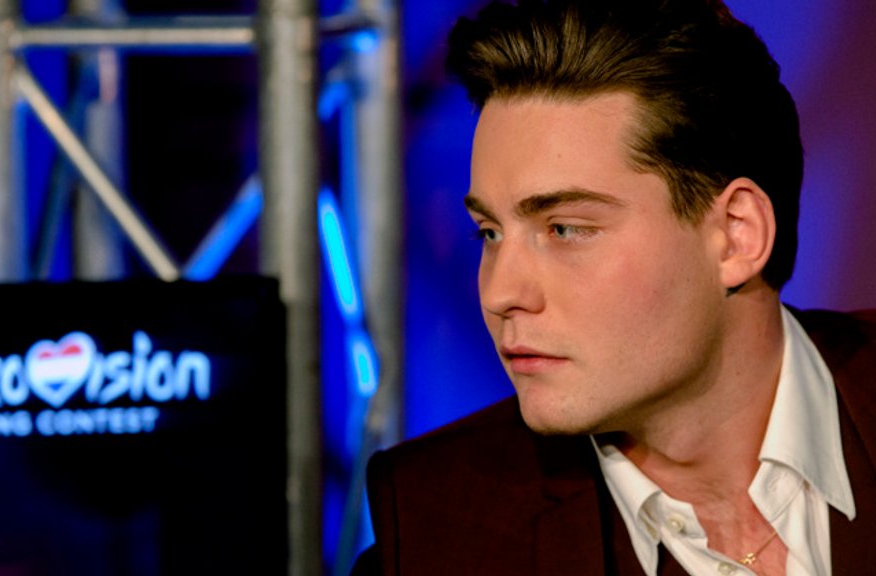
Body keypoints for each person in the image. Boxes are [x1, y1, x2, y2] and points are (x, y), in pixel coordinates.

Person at [352, 0, 876, 574]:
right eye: (489, 233)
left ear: (735, 234)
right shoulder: (437, 534)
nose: (500, 293)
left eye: (565, 229)